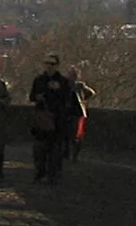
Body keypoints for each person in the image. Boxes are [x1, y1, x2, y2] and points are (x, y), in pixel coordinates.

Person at [29, 52, 78, 183]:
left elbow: (68, 99)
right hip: (42, 118)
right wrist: (39, 97)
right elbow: (32, 96)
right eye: (47, 63)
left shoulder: (63, 81)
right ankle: (40, 173)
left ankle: (53, 175)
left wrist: (59, 90)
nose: (49, 66)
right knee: (40, 149)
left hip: (57, 119)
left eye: (52, 64)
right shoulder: (39, 80)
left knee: (56, 150)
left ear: (57, 65)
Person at [68, 66, 96, 162]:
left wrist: (83, 100)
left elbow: (91, 92)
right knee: (70, 134)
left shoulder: (79, 85)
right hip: (69, 112)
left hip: (77, 113)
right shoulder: (67, 85)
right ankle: (69, 155)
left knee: (77, 135)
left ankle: (74, 156)